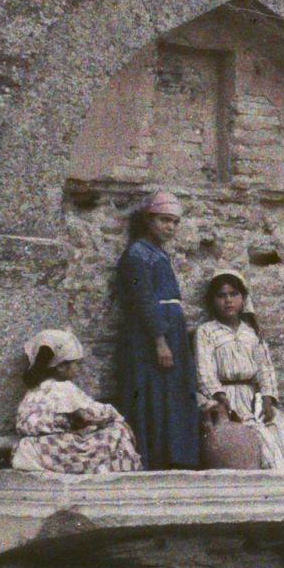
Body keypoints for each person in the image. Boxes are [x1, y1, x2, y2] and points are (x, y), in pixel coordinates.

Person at [115, 191, 199, 470]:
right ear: (149, 220)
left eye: (175, 222)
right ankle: (152, 458)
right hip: (150, 333)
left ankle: (175, 456)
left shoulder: (158, 253)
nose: (170, 227)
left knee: (171, 393)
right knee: (151, 392)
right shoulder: (137, 254)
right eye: (164, 220)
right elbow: (142, 299)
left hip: (170, 327)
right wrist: (160, 341)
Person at [194, 270, 284, 473]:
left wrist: (268, 398)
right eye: (221, 295)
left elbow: (265, 368)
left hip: (252, 397)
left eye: (234, 294)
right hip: (225, 397)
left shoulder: (252, 333)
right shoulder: (207, 332)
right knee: (250, 435)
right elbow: (204, 370)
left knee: (276, 430)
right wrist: (219, 395)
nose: (228, 301)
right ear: (212, 301)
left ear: (243, 299)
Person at [11, 328, 143, 474]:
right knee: (118, 431)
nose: (78, 369)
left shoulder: (34, 390)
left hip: (30, 448)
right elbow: (90, 414)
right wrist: (116, 417)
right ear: (61, 366)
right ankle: (121, 475)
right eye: (76, 363)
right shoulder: (63, 388)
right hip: (55, 450)